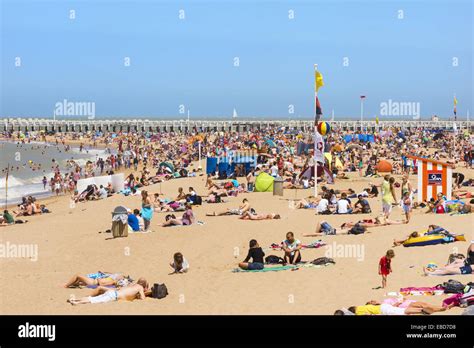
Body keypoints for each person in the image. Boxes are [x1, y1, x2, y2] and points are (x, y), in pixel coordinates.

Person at [67, 278, 149, 305]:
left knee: (94, 298)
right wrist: (144, 293)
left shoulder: (133, 286)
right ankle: (76, 302)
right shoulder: (140, 287)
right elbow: (143, 298)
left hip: (112, 293)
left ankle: (75, 300)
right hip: (113, 296)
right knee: (93, 300)